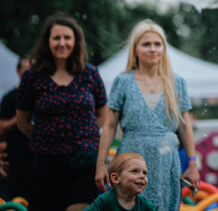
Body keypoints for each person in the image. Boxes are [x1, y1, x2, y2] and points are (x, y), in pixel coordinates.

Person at [95, 19, 199, 211]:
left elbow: (185, 126)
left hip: (165, 162)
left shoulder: (177, 82)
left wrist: (192, 164)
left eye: (157, 44)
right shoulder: (123, 81)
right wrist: (101, 164)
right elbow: (109, 126)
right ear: (135, 50)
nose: (153, 49)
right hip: (129, 159)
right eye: (146, 44)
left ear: (164, 49)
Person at [16, 13, 108, 211]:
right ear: (47, 41)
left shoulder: (90, 73)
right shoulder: (32, 76)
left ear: (76, 41)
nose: (62, 43)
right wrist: (46, 137)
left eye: (67, 37)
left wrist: (83, 137)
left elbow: (103, 114)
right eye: (56, 37)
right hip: (46, 162)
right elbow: (22, 121)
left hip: (84, 161)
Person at [0, 57, 32, 201]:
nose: (28, 71)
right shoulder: (9, 98)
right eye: (25, 68)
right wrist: (20, 118)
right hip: (15, 159)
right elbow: (1, 128)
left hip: (37, 157)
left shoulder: (41, 96)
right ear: (18, 71)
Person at [85, 153, 155, 211]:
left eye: (144, 173)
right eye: (135, 171)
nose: (142, 176)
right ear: (116, 178)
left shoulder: (146, 206)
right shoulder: (105, 200)